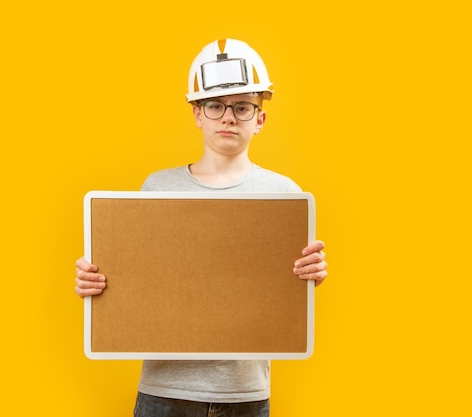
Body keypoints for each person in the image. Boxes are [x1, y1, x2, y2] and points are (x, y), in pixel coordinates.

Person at [75, 38, 328, 417]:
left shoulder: (284, 194)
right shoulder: (157, 189)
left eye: (243, 107)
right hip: (164, 393)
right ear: (197, 114)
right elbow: (137, 282)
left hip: (245, 395)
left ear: (260, 119)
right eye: (215, 106)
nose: (228, 116)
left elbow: (281, 291)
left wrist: (310, 275)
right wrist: (97, 282)